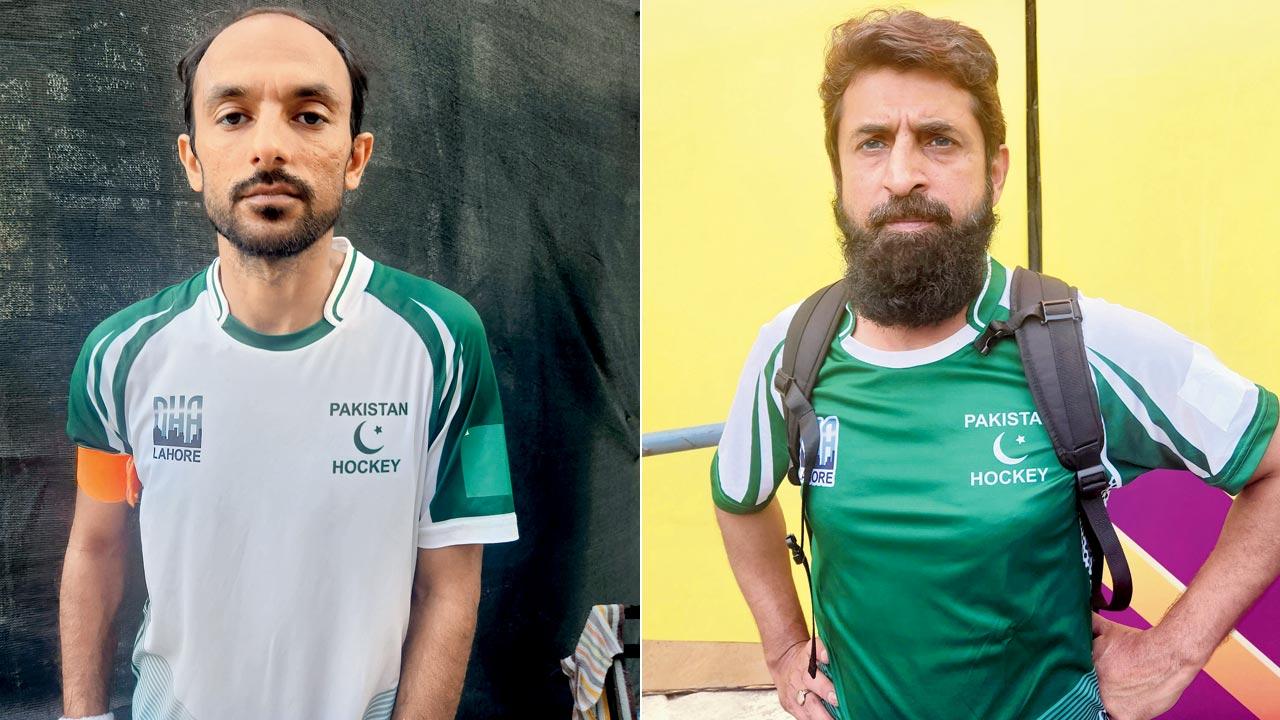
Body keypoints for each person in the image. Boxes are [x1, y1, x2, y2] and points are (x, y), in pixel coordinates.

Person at [711, 10, 1280, 720]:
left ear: (997, 169)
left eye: (939, 140)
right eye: (872, 142)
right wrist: (782, 649)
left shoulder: (1083, 344)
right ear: (839, 169)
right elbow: (739, 501)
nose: (902, 175)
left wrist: (1175, 654)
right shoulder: (789, 348)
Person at [58, 8, 518, 720]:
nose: (269, 147)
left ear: (356, 156)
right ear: (192, 159)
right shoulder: (121, 355)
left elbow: (450, 584)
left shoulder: (444, 340)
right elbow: (94, 551)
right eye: (234, 115)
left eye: (308, 115)